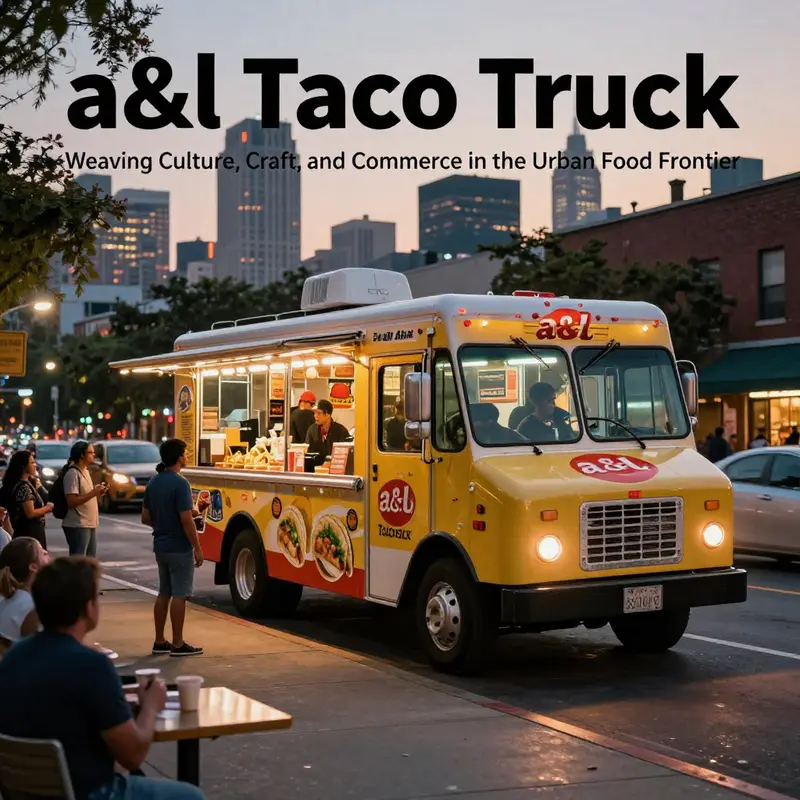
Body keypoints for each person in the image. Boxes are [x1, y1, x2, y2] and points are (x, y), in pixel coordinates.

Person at [0, 556, 205, 800]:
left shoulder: (14, 656)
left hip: (26, 792)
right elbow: (132, 755)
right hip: (88, 792)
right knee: (189, 795)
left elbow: (59, 705)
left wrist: (115, 701)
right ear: (88, 608)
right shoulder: (92, 665)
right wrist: (151, 705)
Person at [142, 438, 205, 657]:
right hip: (179, 546)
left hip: (160, 544)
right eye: (185, 453)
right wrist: (197, 547)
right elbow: (186, 520)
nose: (187, 457)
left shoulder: (154, 482)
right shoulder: (181, 483)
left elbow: (145, 517)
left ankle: (160, 640)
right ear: (179, 458)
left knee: (164, 593)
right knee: (180, 594)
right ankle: (178, 643)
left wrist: (163, 525)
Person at [61, 440, 107, 557]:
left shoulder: (85, 471)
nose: (94, 455)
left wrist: (98, 491)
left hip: (89, 522)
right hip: (78, 524)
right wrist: (93, 492)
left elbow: (85, 494)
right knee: (79, 560)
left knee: (90, 559)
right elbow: (71, 501)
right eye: (90, 452)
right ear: (82, 455)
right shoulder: (72, 474)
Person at [0, 450, 53, 548]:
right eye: (31, 462)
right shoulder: (23, 487)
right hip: (29, 533)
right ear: (23, 466)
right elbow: (30, 513)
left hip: (27, 531)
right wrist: (47, 508)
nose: (35, 465)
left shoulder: (25, 483)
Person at [0, 536, 46, 648]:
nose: (47, 552)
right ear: (33, 567)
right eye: (42, 553)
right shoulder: (31, 606)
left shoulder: (9, 597)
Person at [305, 399, 351, 464]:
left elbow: (347, 454)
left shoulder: (341, 430)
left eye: (318, 413)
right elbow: (308, 452)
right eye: (314, 413)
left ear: (328, 414)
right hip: (317, 468)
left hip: (336, 466)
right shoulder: (312, 430)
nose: (315, 416)